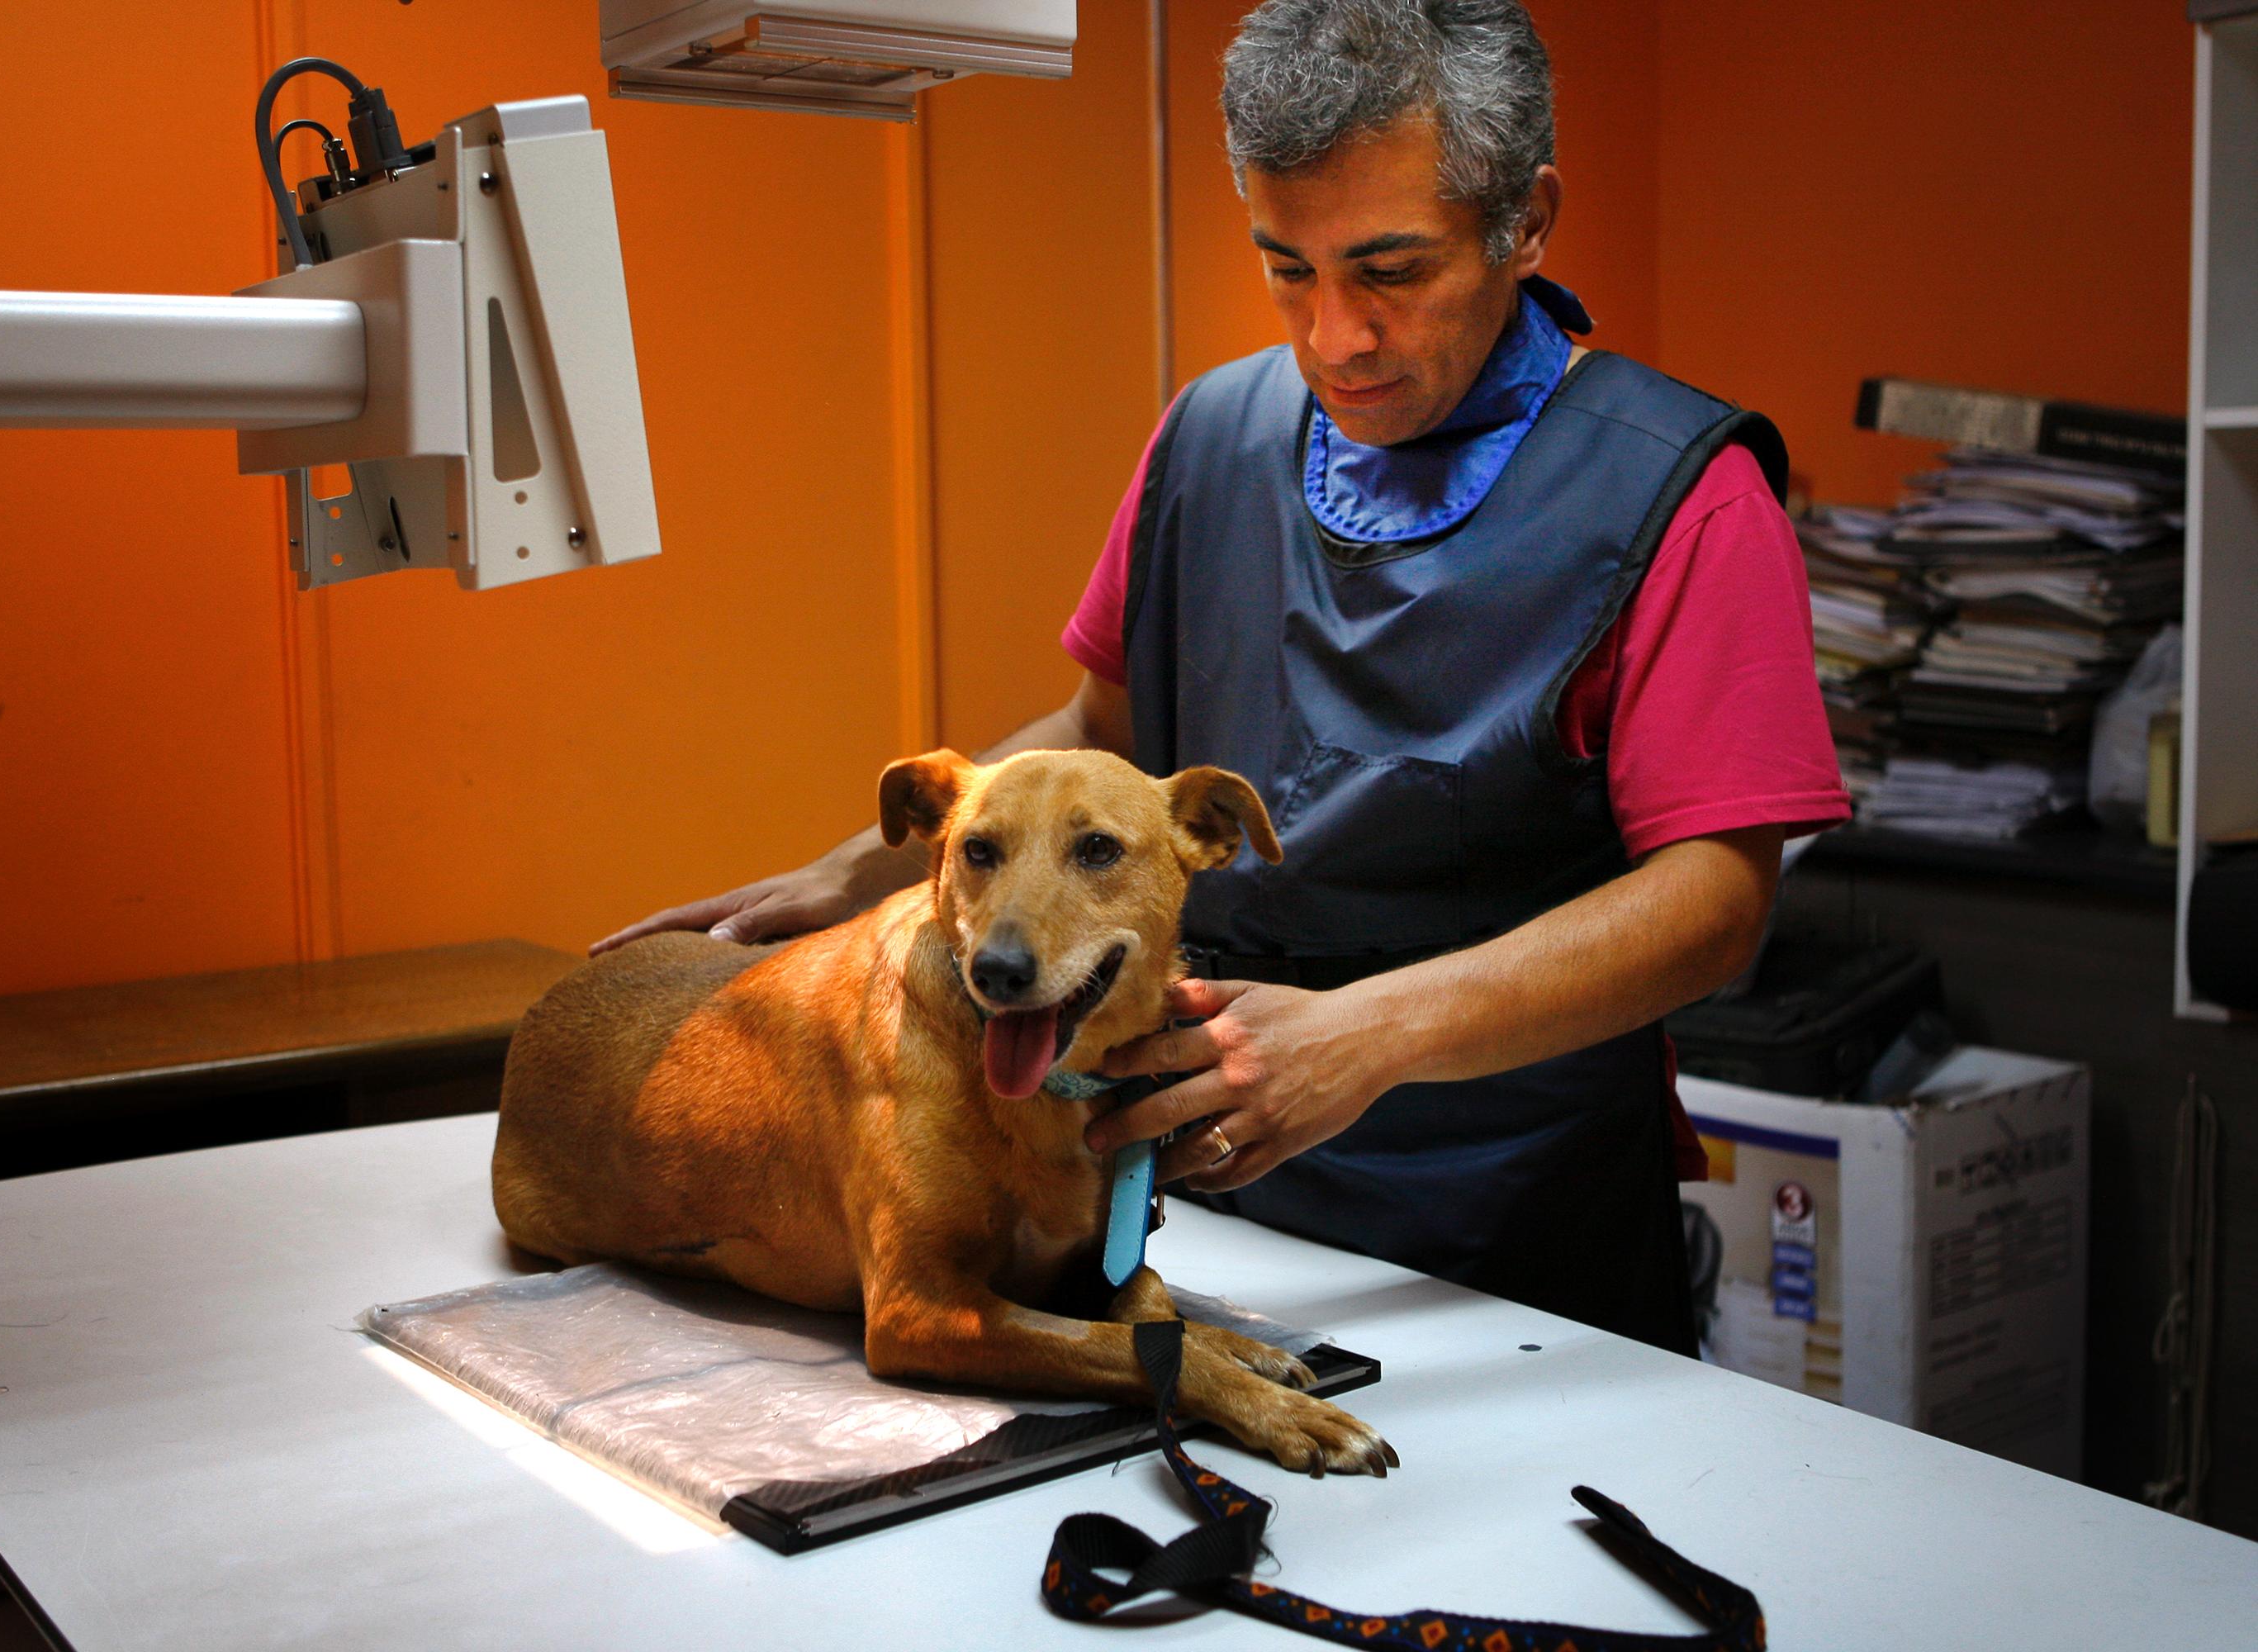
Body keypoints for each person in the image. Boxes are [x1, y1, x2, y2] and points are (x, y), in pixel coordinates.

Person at [600, 0, 1848, 1356]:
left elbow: (1719, 902)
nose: (1336, 338)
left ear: (1526, 220)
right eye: (1288, 269)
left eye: (1391, 270)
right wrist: (874, 868)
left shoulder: (1681, 496)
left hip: (1516, 1230)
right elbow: (1097, 732)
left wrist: (1366, 1037)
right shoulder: (1211, 440)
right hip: (1183, 1191)